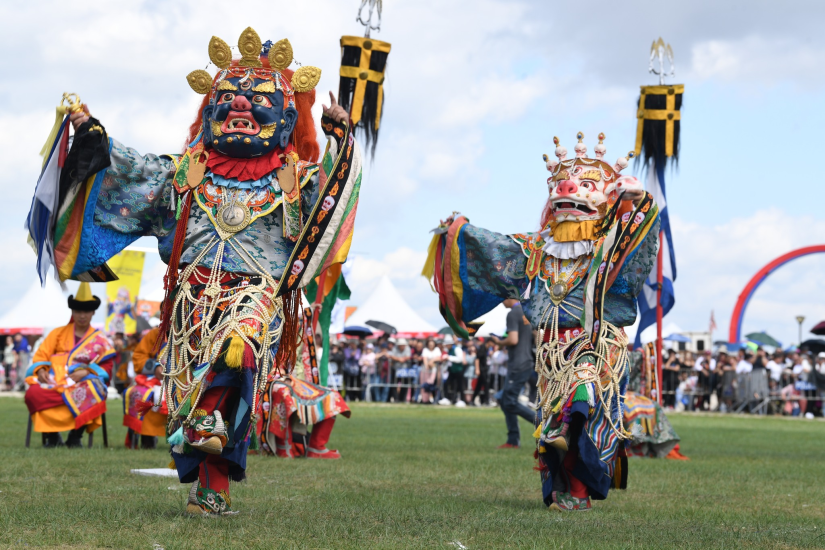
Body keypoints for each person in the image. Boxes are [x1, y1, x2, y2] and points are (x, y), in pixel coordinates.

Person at [38, 28, 360, 515]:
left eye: (258, 101)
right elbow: (128, 171)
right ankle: (211, 494)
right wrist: (89, 130)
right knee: (206, 397)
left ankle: (204, 422)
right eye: (228, 98)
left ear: (288, 114)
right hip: (192, 298)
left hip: (256, 296)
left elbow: (329, 207)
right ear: (209, 109)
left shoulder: (294, 177)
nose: (241, 107)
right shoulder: (186, 170)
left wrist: (339, 135)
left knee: (240, 349)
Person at [424, 134, 658, 511]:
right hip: (550, 354)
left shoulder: (610, 244)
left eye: (587, 186)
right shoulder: (537, 248)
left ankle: (579, 487)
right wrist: (457, 231)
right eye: (567, 187)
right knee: (553, 427)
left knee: (582, 404)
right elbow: (494, 248)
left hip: (596, 349)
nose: (572, 192)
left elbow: (640, 250)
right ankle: (565, 490)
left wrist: (638, 202)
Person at [23, 283, 114, 447]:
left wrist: (86, 372)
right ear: (72, 311)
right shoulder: (57, 333)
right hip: (54, 382)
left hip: (82, 383)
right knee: (33, 393)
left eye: (86, 311)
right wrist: (42, 370)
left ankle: (75, 435)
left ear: (93, 312)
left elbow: (107, 368)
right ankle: (52, 436)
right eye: (78, 311)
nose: (82, 315)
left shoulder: (100, 340)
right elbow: (41, 356)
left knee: (93, 389)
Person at [490, 298, 535, 447]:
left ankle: (543, 424)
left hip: (518, 364)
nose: (500, 300)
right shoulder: (527, 312)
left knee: (509, 402)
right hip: (526, 362)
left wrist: (498, 342)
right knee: (504, 400)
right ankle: (513, 440)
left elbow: (513, 339)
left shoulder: (513, 314)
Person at [122, 327, 168, 449]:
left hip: (184, 380)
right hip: (154, 379)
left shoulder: (194, 333)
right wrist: (155, 367)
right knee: (140, 394)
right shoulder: (155, 334)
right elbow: (138, 356)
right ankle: (146, 436)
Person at [443, 335, 467, 404]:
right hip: (452, 370)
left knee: (460, 386)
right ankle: (448, 399)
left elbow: (460, 359)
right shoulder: (449, 350)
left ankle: (462, 400)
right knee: (447, 384)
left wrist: (449, 357)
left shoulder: (457, 349)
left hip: (458, 370)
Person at [390, 338, 413, 403]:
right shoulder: (395, 348)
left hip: (405, 370)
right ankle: (396, 399)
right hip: (395, 369)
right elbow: (392, 356)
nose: (402, 346)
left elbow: (408, 356)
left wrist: (402, 359)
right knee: (394, 384)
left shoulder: (407, 348)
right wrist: (399, 359)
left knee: (405, 384)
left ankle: (402, 398)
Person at [471, 339, 491, 406]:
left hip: (484, 369)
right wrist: (477, 369)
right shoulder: (482, 348)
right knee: (486, 385)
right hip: (481, 370)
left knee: (478, 386)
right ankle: (487, 401)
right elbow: (477, 359)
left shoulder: (486, 349)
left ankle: (472, 400)